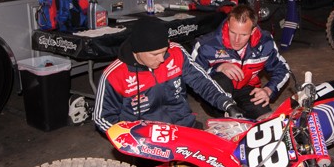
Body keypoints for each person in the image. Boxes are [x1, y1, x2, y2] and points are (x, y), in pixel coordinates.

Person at [93, 17, 242, 134]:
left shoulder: (176, 52)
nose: (162, 58)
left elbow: (201, 81)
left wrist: (227, 104)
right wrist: (130, 137)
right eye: (155, 54)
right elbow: (102, 118)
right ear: (137, 51)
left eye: (164, 51)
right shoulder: (114, 75)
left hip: (184, 127)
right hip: (146, 141)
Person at [192, 5, 290, 120]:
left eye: (243, 35)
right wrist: (217, 68)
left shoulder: (265, 42)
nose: (237, 40)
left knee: (264, 115)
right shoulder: (206, 44)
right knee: (222, 79)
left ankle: (239, 113)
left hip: (246, 88)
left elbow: (283, 69)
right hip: (216, 94)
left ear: (253, 31)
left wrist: (268, 90)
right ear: (228, 25)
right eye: (232, 32)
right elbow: (192, 76)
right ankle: (225, 117)